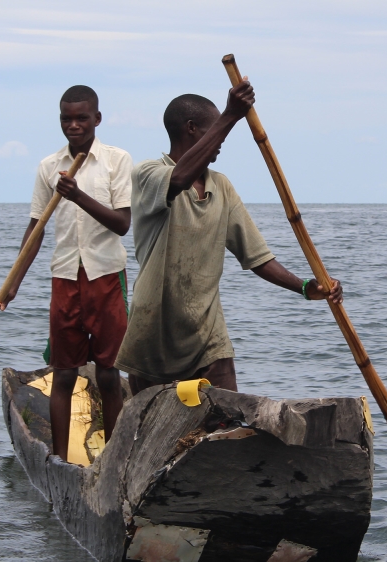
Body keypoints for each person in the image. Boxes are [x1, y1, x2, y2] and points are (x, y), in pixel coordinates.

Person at [114, 79, 342, 395]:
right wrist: (230, 116)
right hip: (153, 336)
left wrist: (305, 287)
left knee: (226, 423)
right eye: (213, 130)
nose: (221, 141)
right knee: (151, 433)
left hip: (208, 339)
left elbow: (258, 257)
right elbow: (178, 177)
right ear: (191, 129)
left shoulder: (220, 186)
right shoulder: (147, 174)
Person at [0, 85, 133, 462]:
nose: (74, 125)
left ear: (96, 119)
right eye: (66, 118)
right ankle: (60, 461)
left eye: (81, 118)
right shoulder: (49, 167)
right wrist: (10, 286)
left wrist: (78, 194)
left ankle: (115, 460)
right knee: (64, 374)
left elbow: (122, 224)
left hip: (106, 277)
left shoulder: (116, 161)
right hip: (66, 278)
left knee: (108, 374)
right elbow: (35, 230)